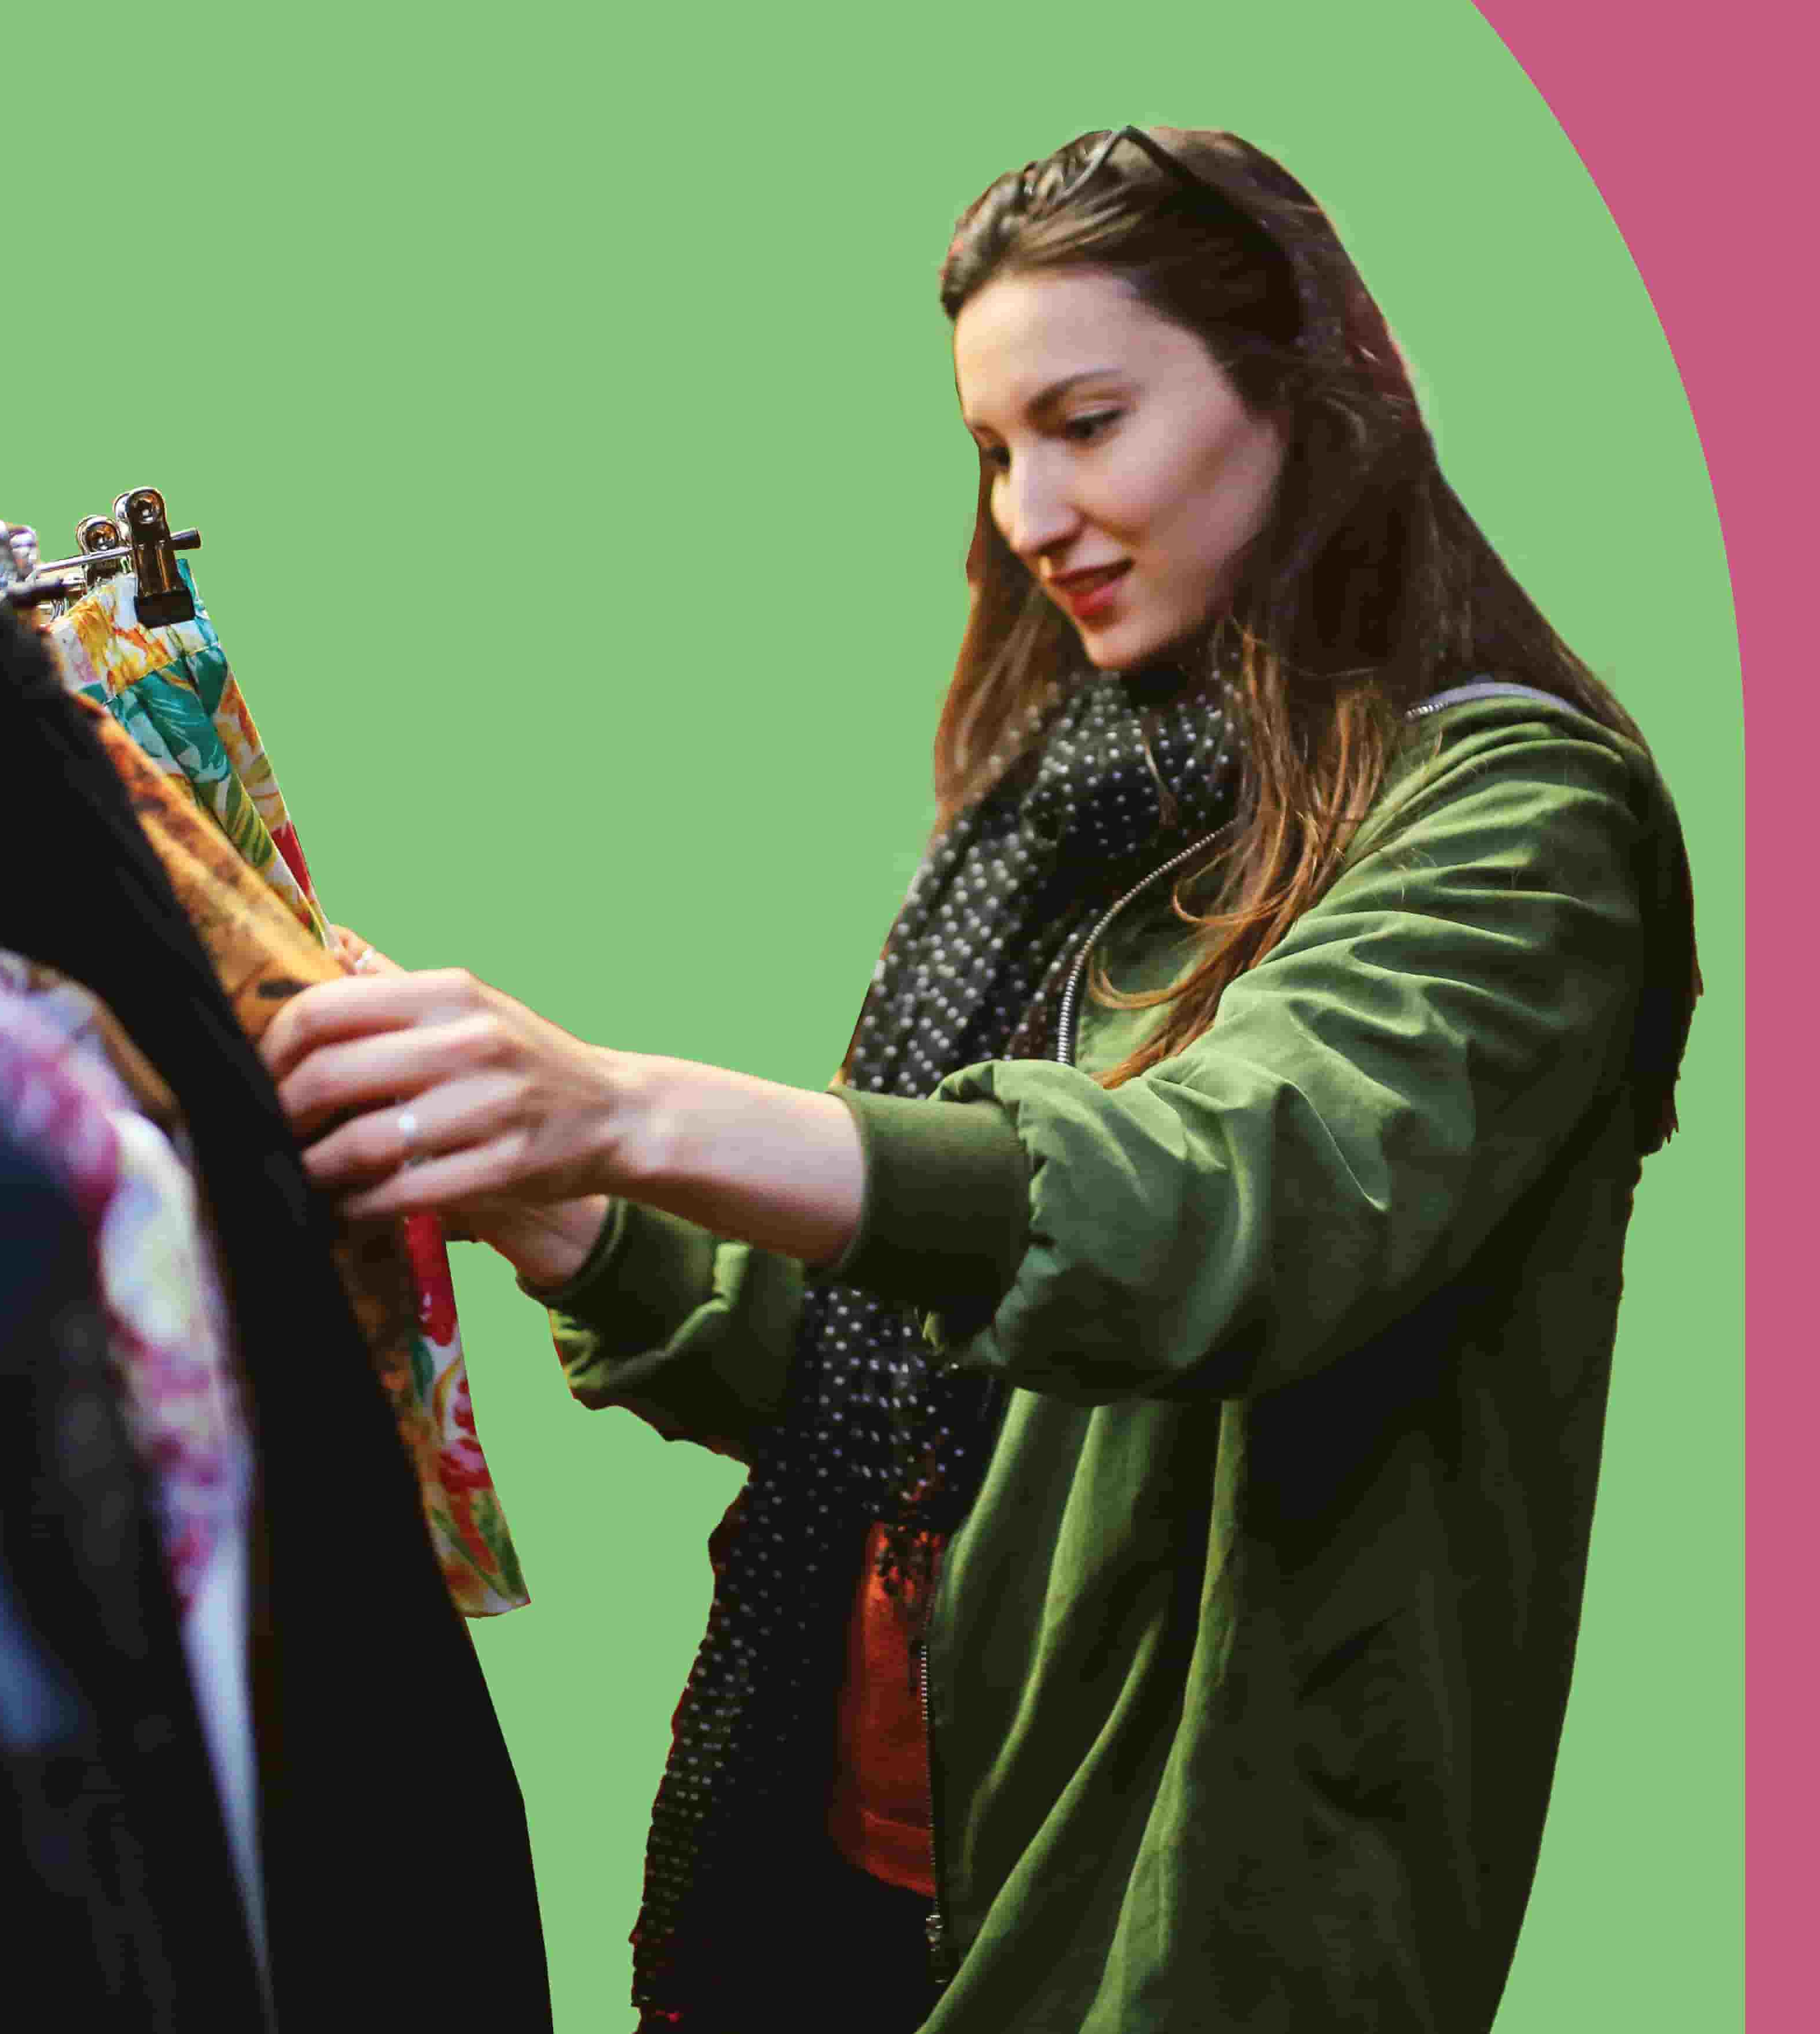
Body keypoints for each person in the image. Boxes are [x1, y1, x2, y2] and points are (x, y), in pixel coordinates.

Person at [259, 126, 1703, 2033]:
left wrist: (622, 1100)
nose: (1031, 511)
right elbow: (910, 1366)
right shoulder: (1075, 826)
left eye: (1086, 422)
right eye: (994, 451)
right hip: (882, 1858)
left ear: (1303, 403)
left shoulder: (1518, 825)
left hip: (1175, 1910)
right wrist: (560, 1205)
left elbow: (1211, 1211)